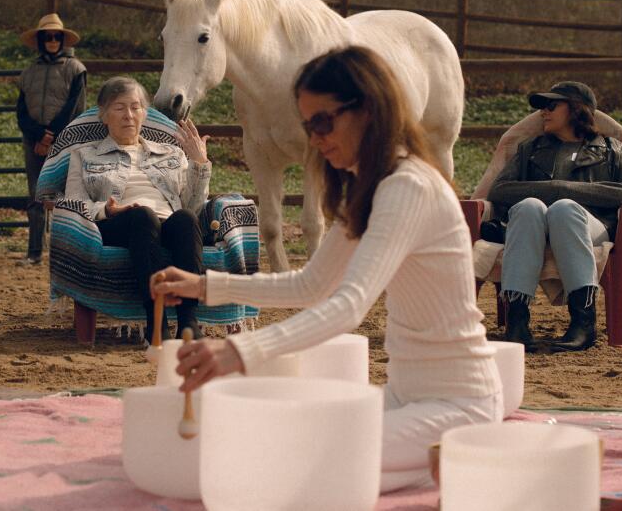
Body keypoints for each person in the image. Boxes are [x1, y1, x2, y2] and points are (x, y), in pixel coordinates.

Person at [151, 46, 502, 493]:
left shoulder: (407, 187)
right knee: (274, 447)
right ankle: (429, 466)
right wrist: (204, 285)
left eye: (323, 121)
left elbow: (349, 305)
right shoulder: (366, 186)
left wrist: (238, 352)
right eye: (307, 124)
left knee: (291, 463)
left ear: (367, 110)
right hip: (404, 398)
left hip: (460, 405)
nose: (315, 138)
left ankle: (450, 461)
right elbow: (312, 284)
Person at [487, 81, 622, 353]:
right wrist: (554, 191)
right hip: (532, 226)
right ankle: (517, 323)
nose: (542, 113)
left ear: (575, 110)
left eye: (551, 106)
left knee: (564, 208)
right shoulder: (530, 148)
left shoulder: (612, 149)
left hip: (589, 225)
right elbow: (499, 190)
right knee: (529, 207)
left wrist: (564, 191)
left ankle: (583, 324)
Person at [64, 77, 210, 343]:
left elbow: (193, 205)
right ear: (104, 115)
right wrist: (107, 210)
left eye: (136, 107)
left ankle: (189, 322)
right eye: (119, 108)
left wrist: (200, 164)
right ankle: (157, 323)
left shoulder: (171, 153)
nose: (129, 115)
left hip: (166, 223)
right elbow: (75, 203)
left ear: (145, 113)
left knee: (187, 219)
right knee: (142, 215)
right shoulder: (84, 155)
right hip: (119, 223)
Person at [17, 13, 88, 266]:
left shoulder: (76, 69)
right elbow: (21, 111)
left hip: (64, 143)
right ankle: (34, 252)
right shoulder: (29, 72)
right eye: (47, 37)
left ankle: (65, 254)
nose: (52, 41)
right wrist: (37, 134)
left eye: (56, 36)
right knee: (36, 197)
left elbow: (75, 107)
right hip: (34, 141)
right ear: (40, 40)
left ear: (62, 39)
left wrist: (51, 136)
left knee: (64, 198)